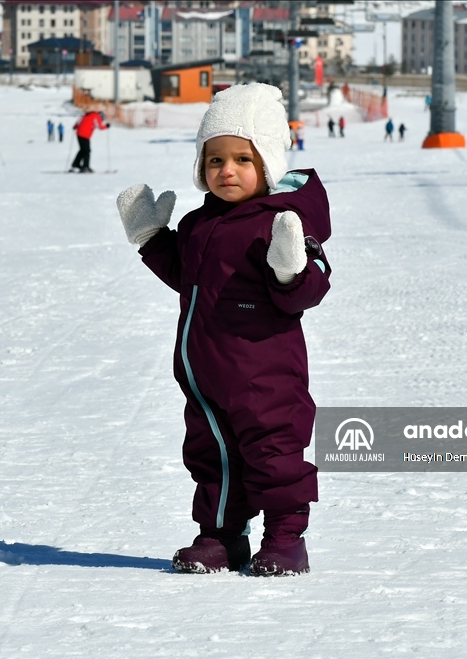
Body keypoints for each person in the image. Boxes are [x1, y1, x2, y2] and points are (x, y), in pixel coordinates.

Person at [115, 83, 332, 576]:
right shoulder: (197, 224)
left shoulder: (283, 222)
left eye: (241, 159)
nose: (226, 170)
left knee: (274, 455)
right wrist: (153, 239)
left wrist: (290, 269)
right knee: (213, 458)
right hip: (204, 375)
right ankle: (221, 538)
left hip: (264, 372)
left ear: (268, 164)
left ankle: (284, 539)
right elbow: (187, 276)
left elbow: (310, 287)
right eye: (214, 160)